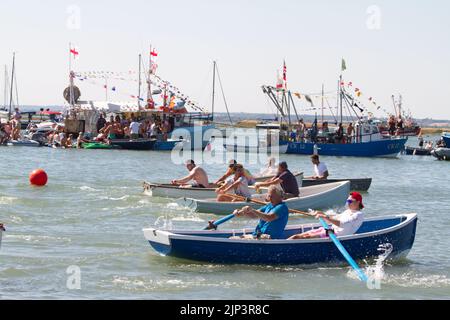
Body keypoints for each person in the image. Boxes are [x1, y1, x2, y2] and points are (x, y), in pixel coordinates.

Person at [288, 192, 364, 239]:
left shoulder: (358, 215)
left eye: (350, 201)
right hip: (330, 231)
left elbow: (342, 223)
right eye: (347, 201)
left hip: (334, 235)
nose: (348, 203)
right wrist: (323, 214)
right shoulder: (348, 211)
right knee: (298, 236)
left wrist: (325, 217)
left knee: (301, 237)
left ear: (358, 202)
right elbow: (335, 218)